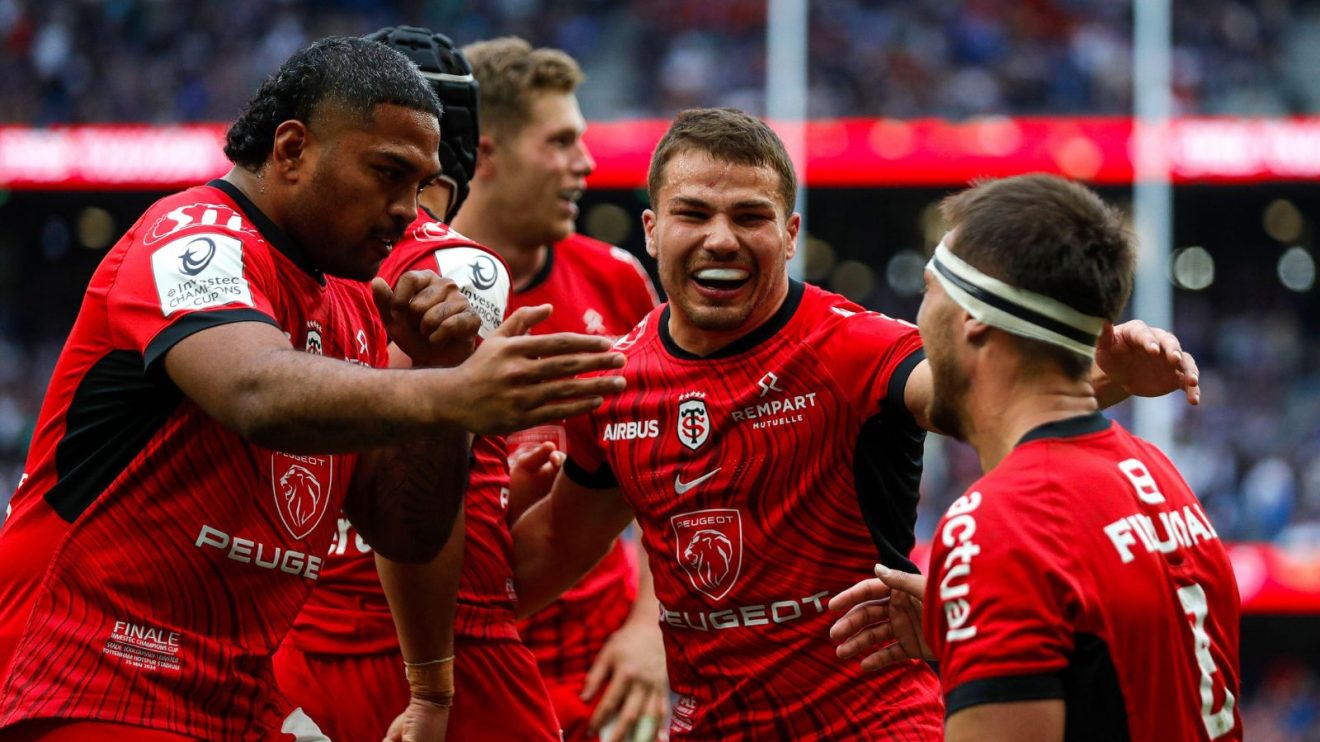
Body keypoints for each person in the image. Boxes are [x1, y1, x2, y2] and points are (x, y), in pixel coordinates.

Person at [0, 36, 624, 742]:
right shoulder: (192, 236)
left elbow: (405, 530)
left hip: (235, 691)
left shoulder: (356, 300)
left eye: (420, 186)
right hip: (90, 673)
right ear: (292, 150)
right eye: (387, 173)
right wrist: (457, 397)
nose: (405, 210)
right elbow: (254, 391)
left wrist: (438, 379)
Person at [510, 108, 1202, 739]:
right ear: (653, 229)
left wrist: (1104, 374)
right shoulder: (614, 381)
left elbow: (978, 395)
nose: (721, 239)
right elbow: (551, 550)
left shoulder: (852, 346)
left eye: (750, 216)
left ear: (790, 234)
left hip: (872, 724)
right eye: (694, 213)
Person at [828, 174, 1241, 742]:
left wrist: (988, 586)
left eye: (928, 291)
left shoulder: (994, 530)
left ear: (973, 319)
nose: (915, 321)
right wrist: (975, 632)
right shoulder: (1155, 473)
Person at [274, 27, 562, 742]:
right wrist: (431, 684)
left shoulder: (282, 260)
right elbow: (403, 466)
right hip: (427, 653)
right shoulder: (458, 266)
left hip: (290, 642)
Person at [451, 36, 668, 742]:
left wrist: (650, 630)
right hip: (460, 657)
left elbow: (681, 481)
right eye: (562, 141)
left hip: (605, 670)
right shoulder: (399, 289)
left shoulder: (617, 280)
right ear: (486, 155)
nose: (587, 163)